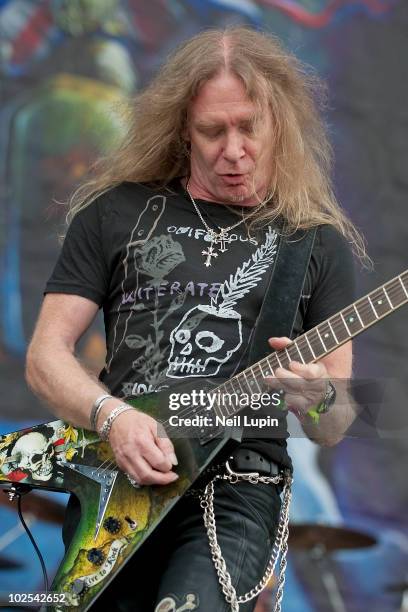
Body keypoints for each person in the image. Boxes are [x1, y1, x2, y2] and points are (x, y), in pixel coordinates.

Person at [25, 27, 364, 612]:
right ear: (184, 129)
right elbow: (46, 356)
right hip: (122, 481)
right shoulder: (117, 213)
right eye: (213, 131)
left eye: (249, 128)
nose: (233, 150)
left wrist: (317, 397)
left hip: (237, 488)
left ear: (277, 123)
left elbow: (334, 422)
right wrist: (114, 418)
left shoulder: (314, 244)